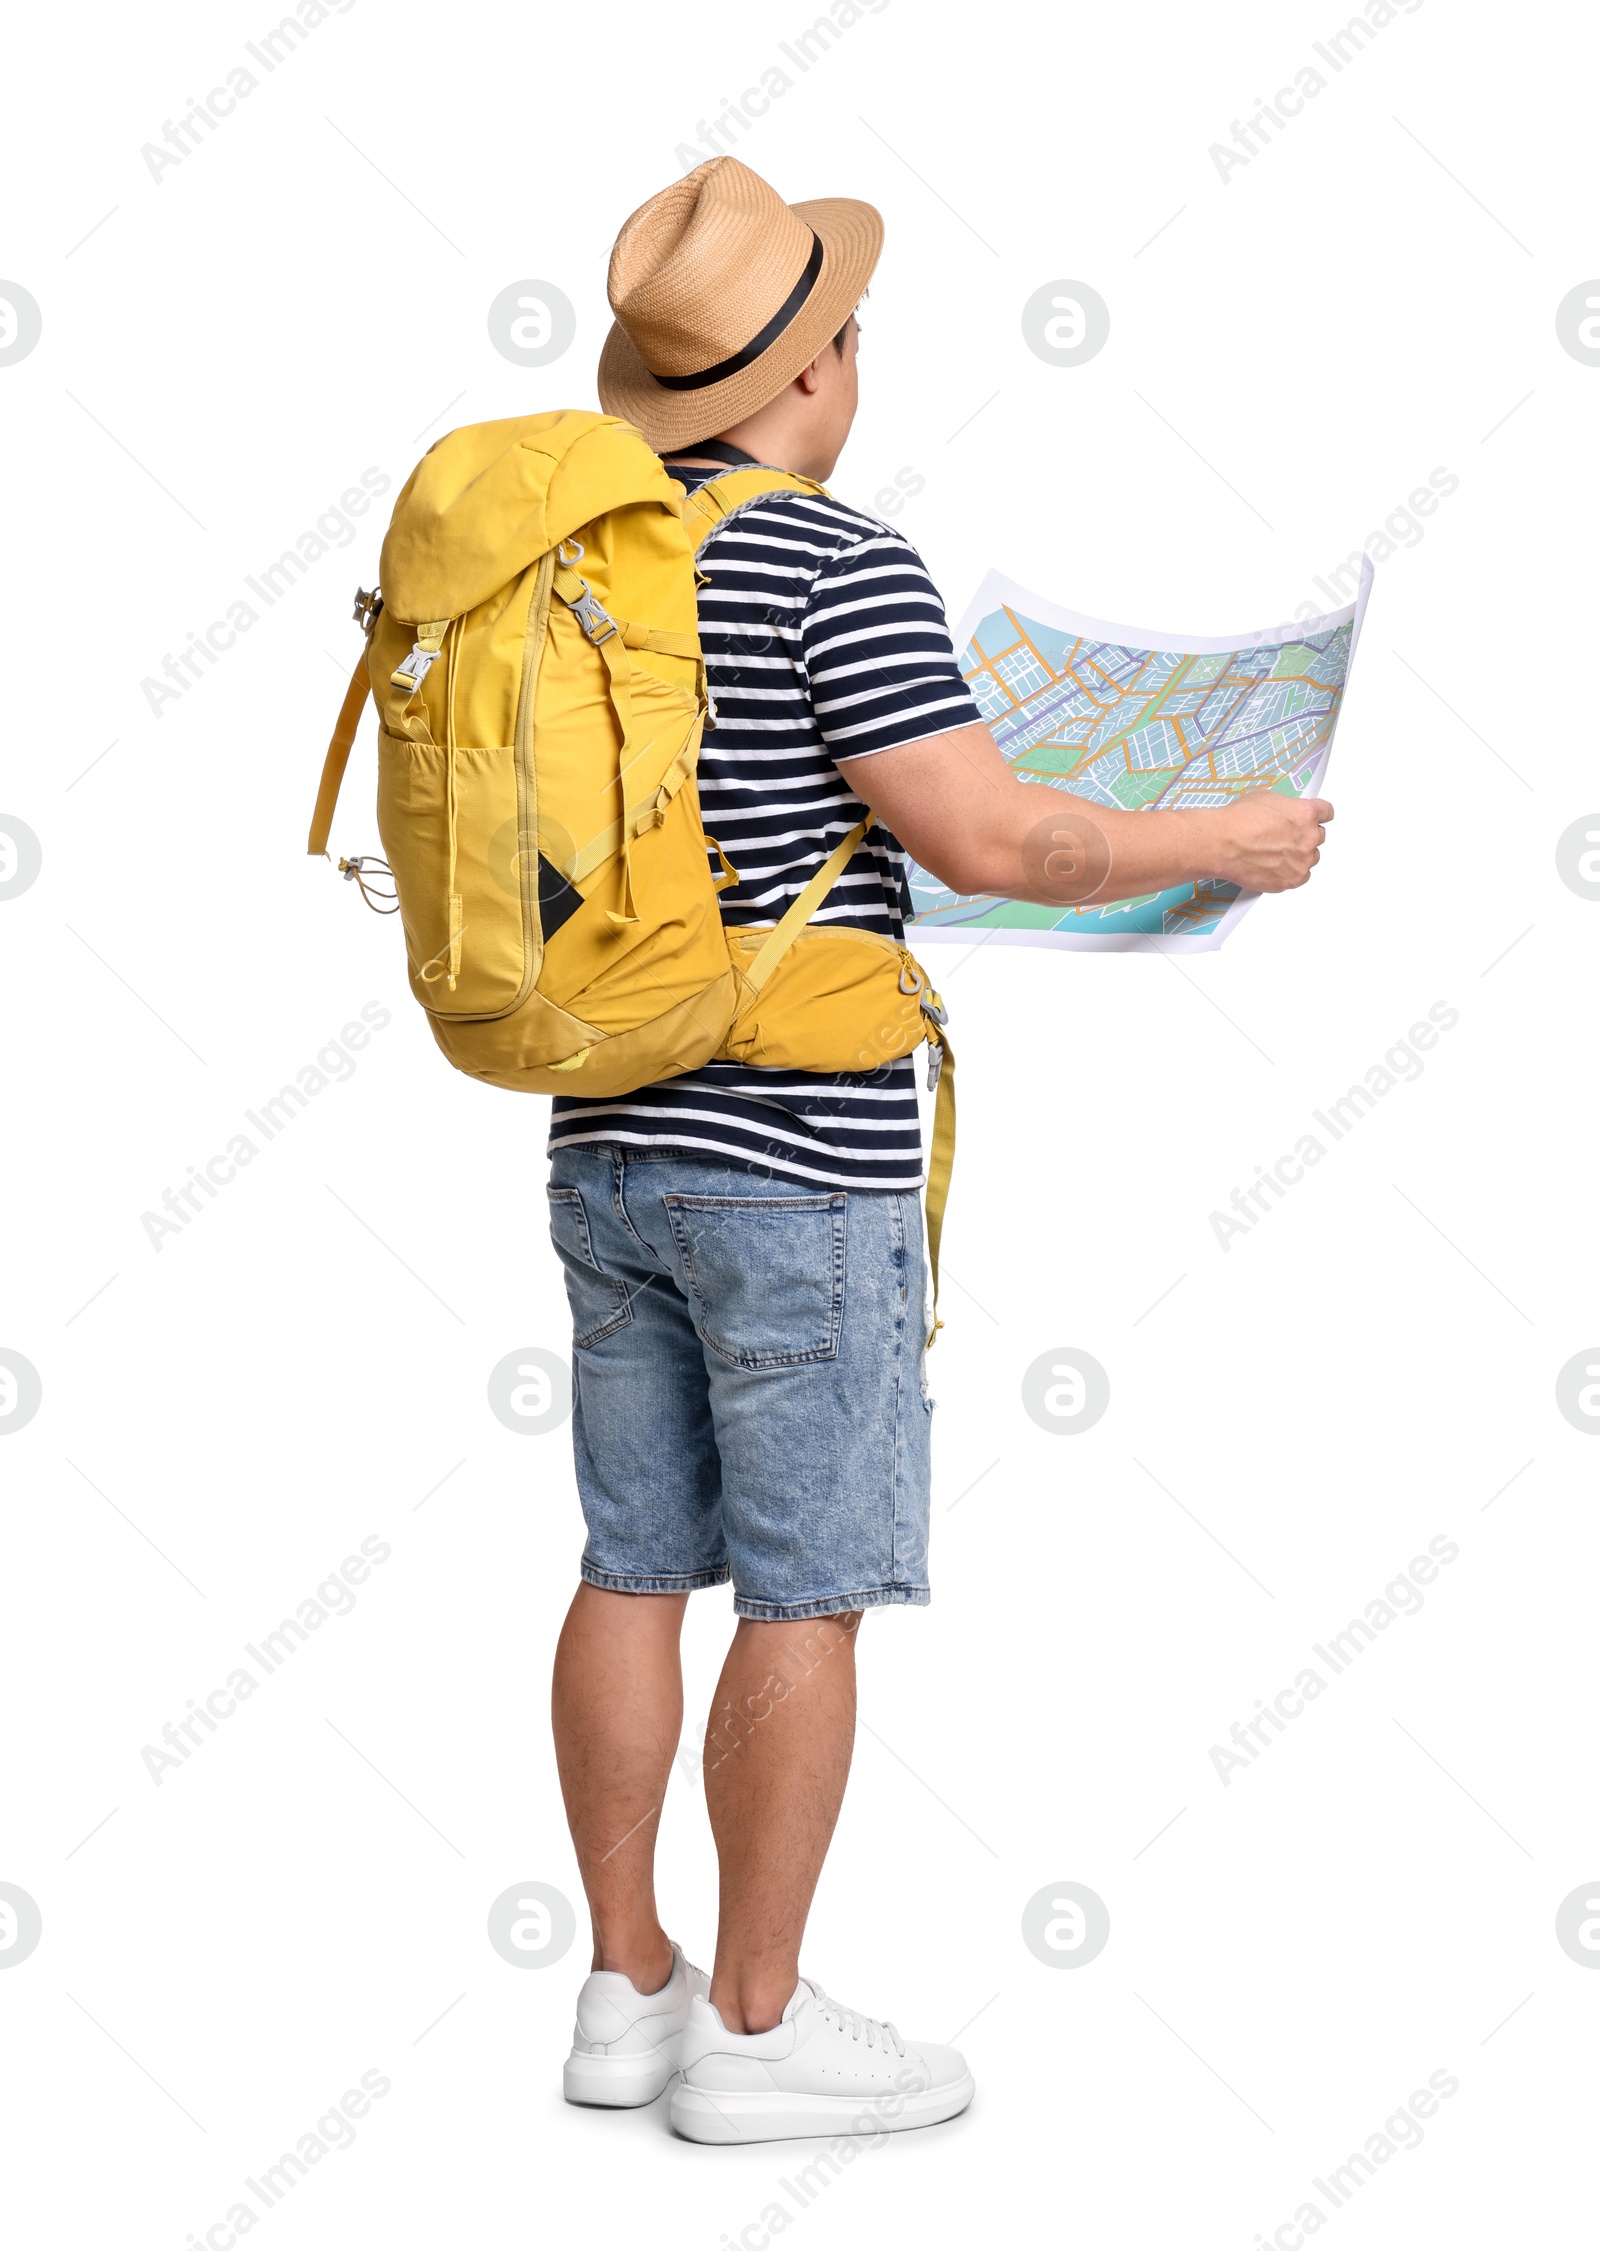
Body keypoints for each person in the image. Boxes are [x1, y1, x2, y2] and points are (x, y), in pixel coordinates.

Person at [547, 156, 1332, 2146]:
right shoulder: (830, 561)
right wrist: (1214, 841)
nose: (855, 363)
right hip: (796, 1156)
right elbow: (999, 843)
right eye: (847, 336)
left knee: (632, 1560)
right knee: (800, 1588)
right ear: (805, 372)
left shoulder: (572, 562)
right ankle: (752, 2026)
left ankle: (622, 1989)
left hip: (601, 1135)